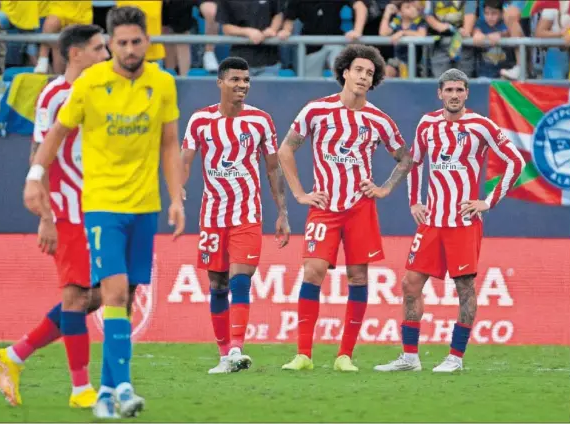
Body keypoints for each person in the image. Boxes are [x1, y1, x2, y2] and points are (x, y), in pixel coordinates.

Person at [23, 6, 185, 419]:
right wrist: (34, 176)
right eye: (122, 43)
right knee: (110, 293)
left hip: (145, 206)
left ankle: (105, 393)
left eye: (137, 41)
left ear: (148, 41)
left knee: (127, 298)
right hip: (100, 207)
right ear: (111, 44)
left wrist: (177, 197)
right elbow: (57, 132)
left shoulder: (163, 83)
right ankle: (125, 387)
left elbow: (169, 144)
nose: (130, 50)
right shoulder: (91, 83)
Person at [0, 24, 109, 409]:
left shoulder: (100, 91)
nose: (105, 55)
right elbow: (39, 154)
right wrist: (46, 216)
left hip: (97, 209)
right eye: (98, 48)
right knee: (75, 297)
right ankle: (80, 390)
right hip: (67, 210)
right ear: (76, 53)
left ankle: (15, 355)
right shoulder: (55, 95)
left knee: (99, 295)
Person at [374, 68, 525, 373]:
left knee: (464, 288)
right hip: (432, 222)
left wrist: (487, 201)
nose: (454, 95)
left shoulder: (481, 126)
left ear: (467, 93)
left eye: (459, 90)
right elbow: (414, 161)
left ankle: (455, 357)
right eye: (449, 90)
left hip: (463, 222)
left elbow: (516, 161)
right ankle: (410, 357)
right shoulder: (428, 123)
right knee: (410, 283)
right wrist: (414, 200)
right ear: (439, 93)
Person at [278, 45, 413, 372]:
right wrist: (299, 194)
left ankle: (345, 356)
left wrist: (383, 188)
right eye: (359, 70)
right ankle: (303, 355)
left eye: (370, 73)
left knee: (357, 277)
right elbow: (285, 150)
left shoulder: (378, 119)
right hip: (324, 207)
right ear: (345, 72)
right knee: (313, 271)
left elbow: (406, 158)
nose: (363, 77)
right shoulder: (316, 111)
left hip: (360, 209)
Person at [181, 57, 291, 374]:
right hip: (213, 215)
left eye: (246, 80)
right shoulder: (200, 120)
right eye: (235, 80)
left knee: (240, 279)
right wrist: (178, 189)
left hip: (247, 213)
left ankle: (236, 349)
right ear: (220, 82)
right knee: (217, 284)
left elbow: (273, 167)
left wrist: (282, 210)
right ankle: (223, 353)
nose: (242, 85)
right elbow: (185, 159)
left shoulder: (260, 122)